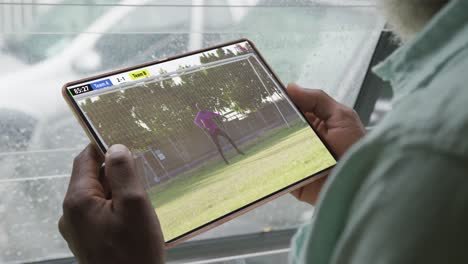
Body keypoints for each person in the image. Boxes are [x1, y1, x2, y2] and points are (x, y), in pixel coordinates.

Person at [58, 0, 468, 263]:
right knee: (223, 147)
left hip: (225, 133)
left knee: (229, 143)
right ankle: (228, 155)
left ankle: (232, 153)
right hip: (220, 136)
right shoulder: (433, 138)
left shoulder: (432, 152)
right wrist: (354, 187)